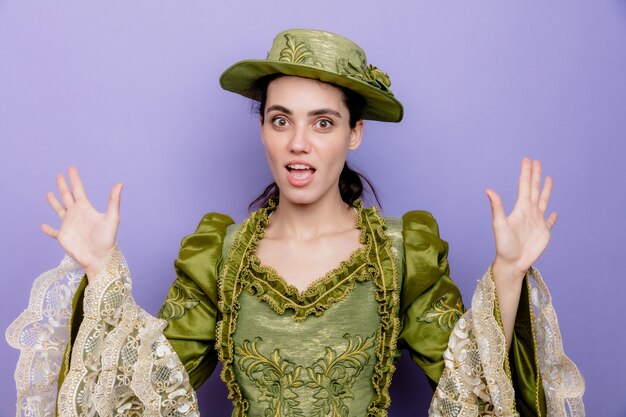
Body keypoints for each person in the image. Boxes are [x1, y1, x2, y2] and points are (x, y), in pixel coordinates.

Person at [6, 29, 584, 417]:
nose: (298, 144)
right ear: (262, 128)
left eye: (323, 123)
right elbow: (144, 398)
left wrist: (508, 274)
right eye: (280, 120)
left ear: (355, 133)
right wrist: (102, 272)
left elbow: (473, 396)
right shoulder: (220, 256)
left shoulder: (402, 252)